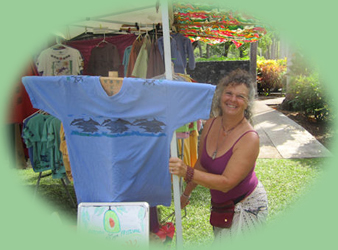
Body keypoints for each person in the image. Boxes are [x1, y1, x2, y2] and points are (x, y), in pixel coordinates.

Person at [169, 69, 268, 242]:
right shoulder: (212, 124)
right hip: (222, 207)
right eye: (228, 93)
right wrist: (186, 194)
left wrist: (187, 172)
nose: (232, 99)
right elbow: (202, 163)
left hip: (245, 206)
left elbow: (226, 183)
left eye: (240, 96)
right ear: (221, 95)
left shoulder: (249, 138)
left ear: (247, 103)